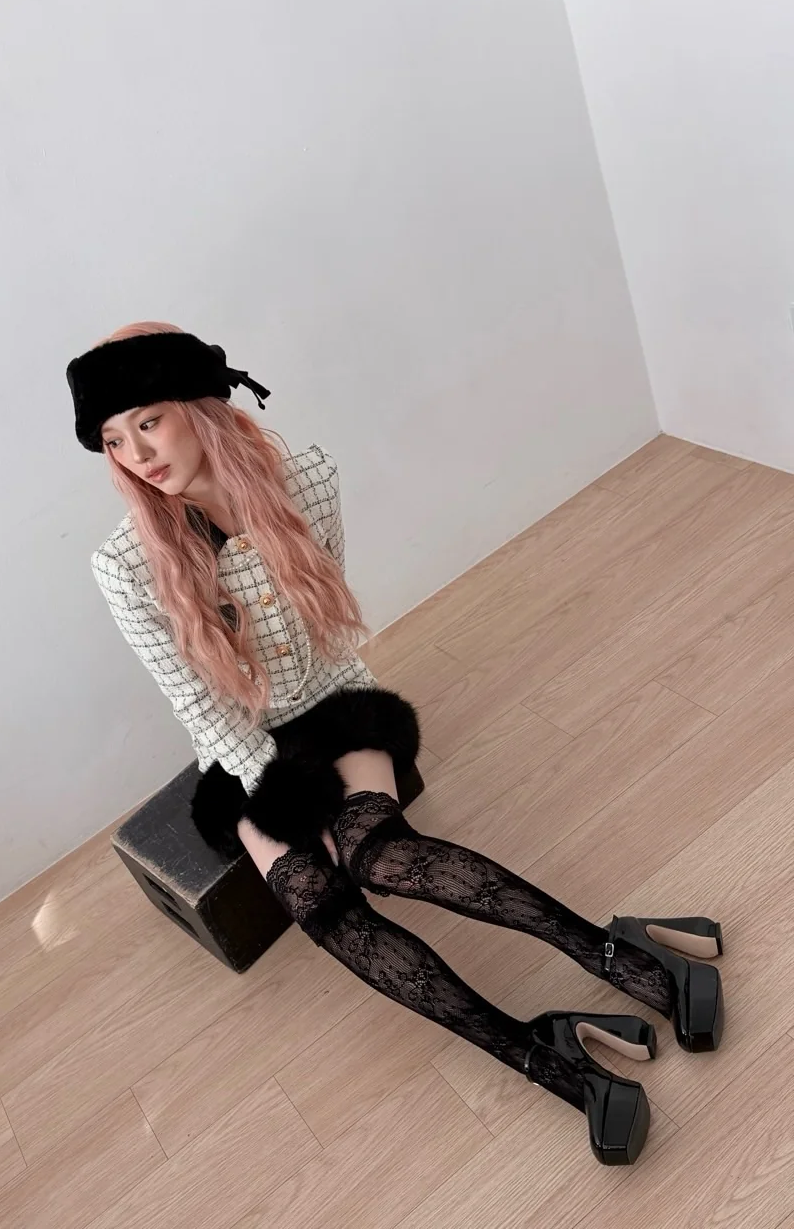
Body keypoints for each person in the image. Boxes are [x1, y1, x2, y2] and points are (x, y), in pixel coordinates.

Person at [66, 320, 725, 1166]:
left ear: (198, 403)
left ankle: (616, 952)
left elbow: (329, 633)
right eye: (114, 441)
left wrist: (330, 782)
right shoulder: (126, 563)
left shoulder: (305, 478)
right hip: (243, 747)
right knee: (321, 905)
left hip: (335, 705)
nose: (136, 454)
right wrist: (286, 796)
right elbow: (198, 706)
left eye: (148, 421)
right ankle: (540, 1053)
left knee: (380, 857)